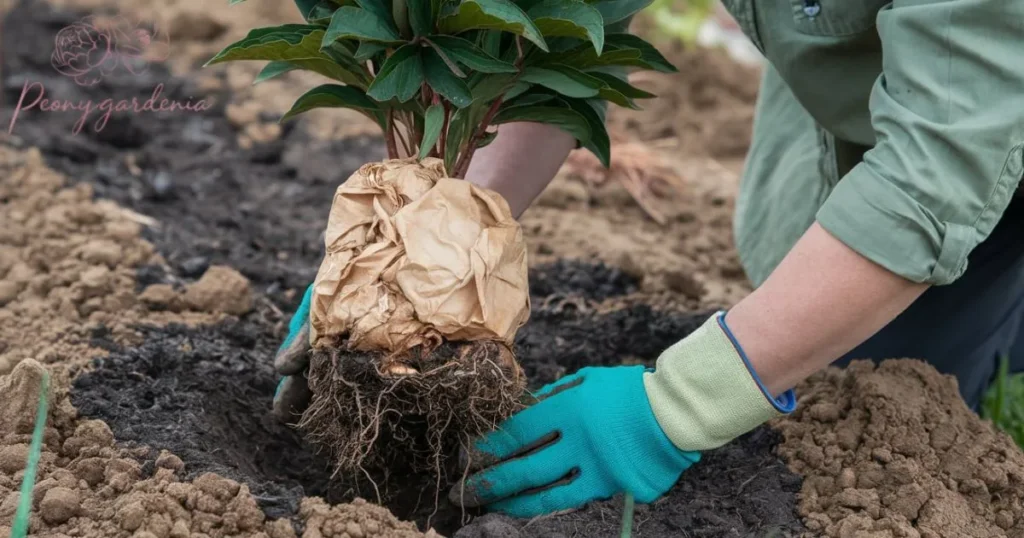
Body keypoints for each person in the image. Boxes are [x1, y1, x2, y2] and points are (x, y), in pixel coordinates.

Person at [273, 0, 1024, 520]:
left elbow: (934, 175)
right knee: (817, 309)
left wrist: (682, 403)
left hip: (978, 110)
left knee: (881, 390)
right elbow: (566, 38)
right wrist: (424, 258)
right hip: (875, 81)